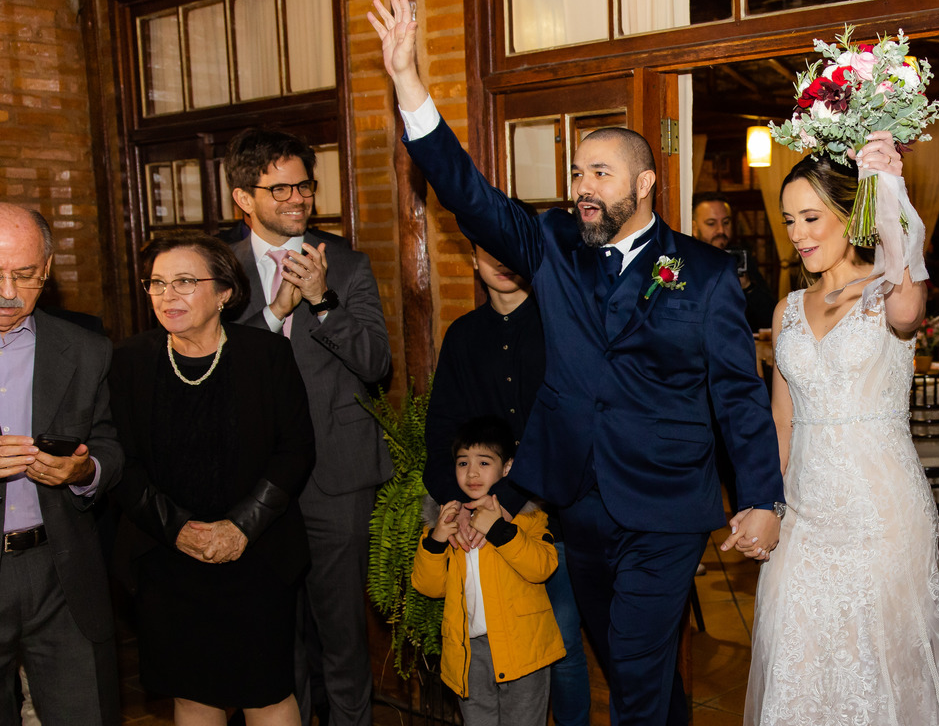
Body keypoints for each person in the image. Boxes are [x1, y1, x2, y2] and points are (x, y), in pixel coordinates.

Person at [371, 0, 786, 726]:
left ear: (644, 184)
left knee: (634, 666)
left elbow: (737, 391)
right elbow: (469, 197)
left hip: (665, 505)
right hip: (578, 502)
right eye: (577, 175)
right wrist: (408, 82)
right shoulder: (554, 245)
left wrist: (760, 497)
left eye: (600, 174)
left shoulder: (704, 272)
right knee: (628, 666)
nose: (583, 189)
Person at [744, 153, 939, 724]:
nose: (798, 234)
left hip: (881, 518)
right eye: (789, 220)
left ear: (852, 216)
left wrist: (886, 185)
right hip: (803, 517)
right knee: (797, 663)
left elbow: (907, 312)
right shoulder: (787, 309)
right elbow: (781, 421)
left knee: (875, 675)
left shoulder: (892, 290)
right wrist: (765, 502)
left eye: (811, 218)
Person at [109, 232, 315, 725]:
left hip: (257, 555)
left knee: (266, 693)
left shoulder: (266, 354)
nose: (167, 295)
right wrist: (178, 529)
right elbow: (121, 461)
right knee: (192, 692)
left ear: (224, 292)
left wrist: (240, 527)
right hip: (167, 558)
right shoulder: (128, 361)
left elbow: (295, 451)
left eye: (185, 281)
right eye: (157, 283)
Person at [225, 128, 392, 726]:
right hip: (251, 480)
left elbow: (376, 363)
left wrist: (323, 301)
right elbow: (213, 366)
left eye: (305, 185)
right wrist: (275, 314)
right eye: (281, 188)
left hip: (336, 478)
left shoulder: (345, 263)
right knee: (275, 639)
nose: (298, 198)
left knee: (343, 638)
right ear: (244, 198)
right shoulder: (216, 268)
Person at [423, 243, 590, 726]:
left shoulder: (562, 327)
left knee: (563, 642)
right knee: (486, 644)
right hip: (475, 517)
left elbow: (569, 427)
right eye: (486, 250)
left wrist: (504, 503)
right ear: (473, 260)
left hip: (554, 513)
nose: (499, 260)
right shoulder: (463, 335)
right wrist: (458, 505)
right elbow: (442, 429)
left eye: (507, 247)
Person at [0, 205, 123, 725]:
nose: (8, 292)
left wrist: (84, 472)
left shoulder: (86, 349)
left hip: (61, 570)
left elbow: (109, 444)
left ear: (47, 270)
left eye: (25, 275)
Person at [413, 416, 565, 724]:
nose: (472, 473)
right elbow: (429, 587)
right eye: (463, 463)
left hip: (524, 650)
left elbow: (543, 567)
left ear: (507, 468)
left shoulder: (527, 518)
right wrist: (436, 540)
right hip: (469, 652)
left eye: (484, 462)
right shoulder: (447, 524)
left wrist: (499, 530)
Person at [691, 193, 776, 331]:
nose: (721, 230)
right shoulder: (685, 260)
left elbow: (770, 318)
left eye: (726, 222)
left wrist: (748, 287)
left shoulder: (739, 258)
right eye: (711, 223)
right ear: (694, 228)